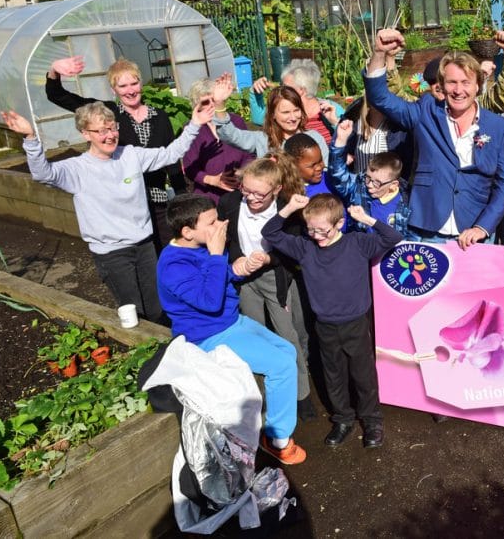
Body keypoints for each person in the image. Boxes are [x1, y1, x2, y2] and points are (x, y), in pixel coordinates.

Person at [3, 102, 211, 324]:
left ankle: (165, 348)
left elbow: (170, 154)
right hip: (112, 253)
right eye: (101, 131)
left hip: (144, 246)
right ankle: (142, 352)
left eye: (113, 128)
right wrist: (30, 138)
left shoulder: (130, 155)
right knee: (133, 311)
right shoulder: (77, 169)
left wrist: (195, 123)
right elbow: (44, 174)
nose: (110, 135)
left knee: (158, 307)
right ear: (85, 133)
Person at [157, 193, 306, 465]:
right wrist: (216, 255)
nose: (221, 225)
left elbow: (219, 277)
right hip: (208, 336)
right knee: (282, 366)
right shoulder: (173, 265)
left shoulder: (200, 247)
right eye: (212, 222)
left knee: (286, 350)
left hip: (230, 323)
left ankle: (271, 420)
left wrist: (239, 268)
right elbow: (210, 302)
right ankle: (278, 440)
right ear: (187, 232)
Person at [262, 193, 403, 449]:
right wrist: (290, 208)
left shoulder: (358, 243)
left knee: (363, 375)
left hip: (356, 323)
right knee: (333, 375)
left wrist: (366, 219)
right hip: (325, 324)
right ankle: (343, 419)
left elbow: (393, 237)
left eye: (322, 230)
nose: (316, 235)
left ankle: (372, 421)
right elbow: (270, 232)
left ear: (339, 223)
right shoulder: (305, 248)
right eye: (310, 229)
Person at [364, 30, 504, 249]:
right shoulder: (425, 111)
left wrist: (483, 227)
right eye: (452, 82)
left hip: (474, 233)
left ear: (478, 86)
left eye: (466, 82)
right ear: (441, 85)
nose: (459, 90)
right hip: (427, 230)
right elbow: (380, 98)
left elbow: (503, 183)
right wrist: (379, 53)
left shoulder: (498, 126)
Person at [44, 56, 187, 249]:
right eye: (123, 86)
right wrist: (54, 69)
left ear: (140, 83)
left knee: (167, 254)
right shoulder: (107, 112)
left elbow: (170, 159)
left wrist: (181, 199)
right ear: (114, 90)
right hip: (123, 206)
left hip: (157, 200)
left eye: (134, 83)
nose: (130, 90)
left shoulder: (159, 117)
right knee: (134, 259)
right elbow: (57, 96)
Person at [216, 154, 316, 421]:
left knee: (287, 335)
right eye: (246, 190)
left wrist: (270, 258)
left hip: (275, 277)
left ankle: (302, 397)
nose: (251, 198)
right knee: (253, 334)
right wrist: (237, 257)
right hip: (245, 279)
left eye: (259, 194)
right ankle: (259, 396)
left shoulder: (288, 212)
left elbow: (294, 253)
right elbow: (226, 238)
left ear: (277, 190)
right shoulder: (229, 203)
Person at [211, 80, 329, 166]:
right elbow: (231, 136)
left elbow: (326, 169)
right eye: (285, 112)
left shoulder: (314, 137)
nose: (293, 117)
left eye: (296, 110)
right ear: (273, 114)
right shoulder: (263, 139)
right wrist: (219, 104)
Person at [330, 119, 412, 237]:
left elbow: (410, 236)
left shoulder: (406, 199)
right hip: (362, 251)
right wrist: (340, 142)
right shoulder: (358, 189)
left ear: (394, 184)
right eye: (368, 178)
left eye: (377, 183)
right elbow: (337, 176)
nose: (369, 184)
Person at [181, 75, 254, 205]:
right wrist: (213, 180)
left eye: (214, 100)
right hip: (208, 197)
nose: (211, 105)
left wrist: (242, 173)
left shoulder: (236, 121)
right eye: (205, 102)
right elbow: (189, 167)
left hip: (240, 191)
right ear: (196, 106)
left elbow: (249, 153)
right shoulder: (192, 129)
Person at [252, 59, 344, 145]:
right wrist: (256, 91)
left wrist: (335, 122)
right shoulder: (285, 109)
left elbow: (350, 139)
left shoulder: (331, 109)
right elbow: (258, 118)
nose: (282, 89)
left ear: (301, 90)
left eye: (285, 86)